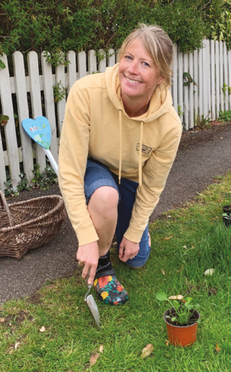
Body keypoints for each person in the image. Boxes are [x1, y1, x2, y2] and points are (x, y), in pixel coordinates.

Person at [58, 24, 182, 306]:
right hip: (95, 166)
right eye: (128, 57)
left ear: (161, 76)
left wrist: (136, 231)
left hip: (130, 177)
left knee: (136, 260)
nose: (131, 69)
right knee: (105, 195)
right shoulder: (86, 92)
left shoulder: (170, 126)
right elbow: (69, 172)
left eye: (145, 63)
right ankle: (103, 265)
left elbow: (151, 186)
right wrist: (87, 237)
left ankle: (128, 226)